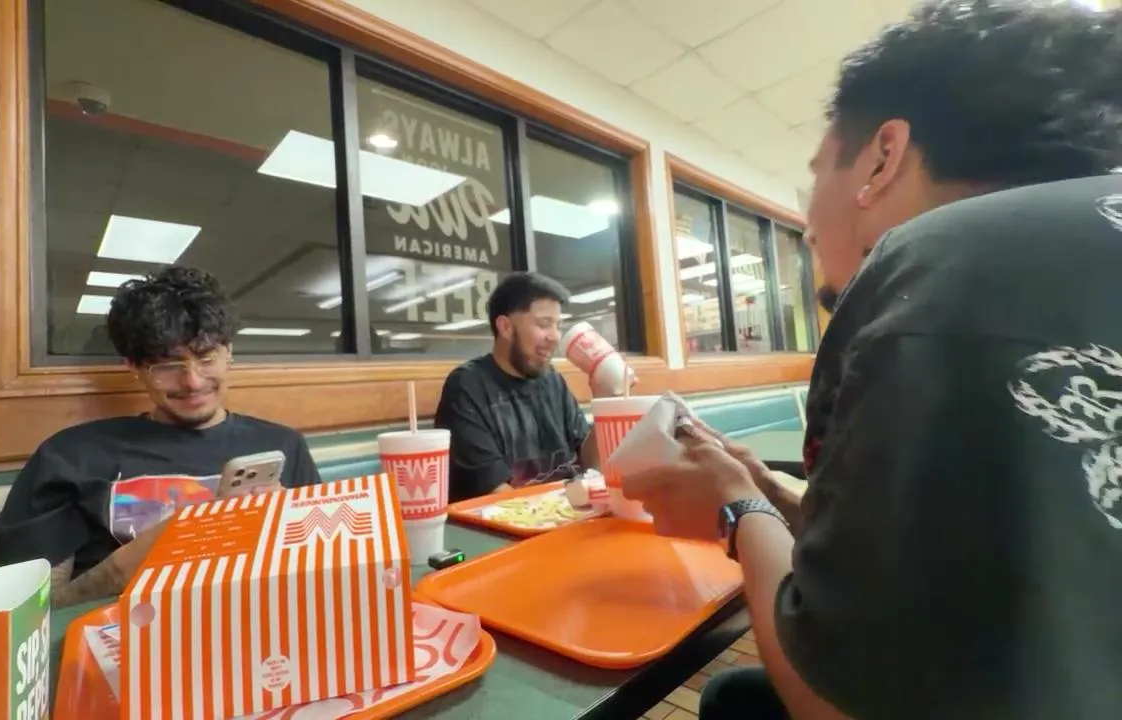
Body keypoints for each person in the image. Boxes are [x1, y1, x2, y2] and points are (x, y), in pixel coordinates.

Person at [625, 2, 1122, 718]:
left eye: (815, 177)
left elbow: (834, 702)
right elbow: (942, 564)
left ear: (883, 158)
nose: (805, 229)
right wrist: (766, 490)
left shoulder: (940, 265)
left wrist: (735, 507)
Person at [0, 267, 321, 607]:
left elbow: (318, 575)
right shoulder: (71, 456)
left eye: (207, 358)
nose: (192, 381)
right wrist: (142, 558)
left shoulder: (283, 447)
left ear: (229, 352)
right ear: (133, 366)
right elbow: (25, 612)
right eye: (167, 366)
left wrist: (290, 526)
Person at [434, 272, 599, 501]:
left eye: (558, 325)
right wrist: (560, 511)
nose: (555, 337)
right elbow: (496, 493)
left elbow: (591, 462)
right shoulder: (467, 387)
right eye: (544, 324)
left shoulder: (553, 381)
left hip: (568, 510)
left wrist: (605, 403)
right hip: (507, 519)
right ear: (505, 327)